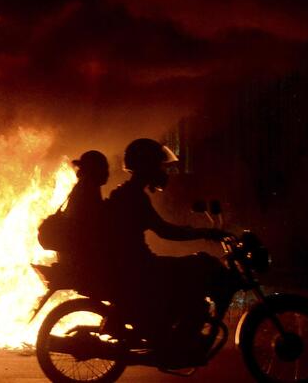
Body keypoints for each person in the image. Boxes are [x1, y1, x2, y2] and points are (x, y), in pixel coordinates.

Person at [104, 138, 230, 361]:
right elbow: (164, 231)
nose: (163, 171)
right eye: (159, 165)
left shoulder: (127, 192)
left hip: (133, 263)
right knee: (198, 266)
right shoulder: (133, 196)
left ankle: (176, 332)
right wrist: (203, 233)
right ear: (147, 166)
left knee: (193, 267)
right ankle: (179, 340)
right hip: (138, 265)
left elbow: (161, 229)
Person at [59, 150, 109, 279]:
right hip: (84, 255)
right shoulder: (88, 189)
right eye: (104, 168)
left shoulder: (83, 187)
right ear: (95, 170)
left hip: (75, 253)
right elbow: (94, 222)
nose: (107, 173)